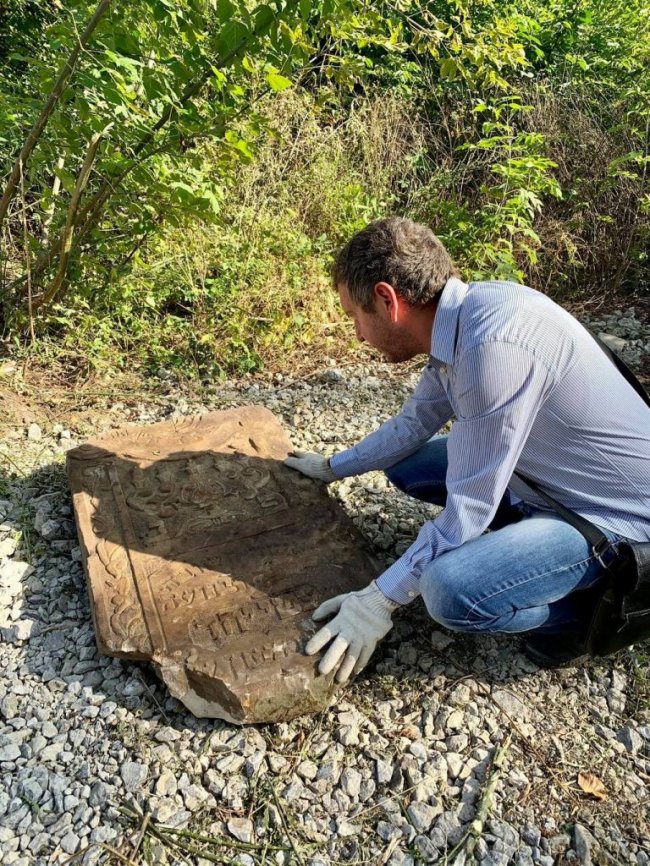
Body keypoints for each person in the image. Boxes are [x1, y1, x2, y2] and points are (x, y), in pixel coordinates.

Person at [284, 217, 650, 683]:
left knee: (449, 591)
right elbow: (414, 424)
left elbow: (467, 512)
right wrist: (332, 467)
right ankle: (523, 540)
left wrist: (378, 599)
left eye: (355, 317)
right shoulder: (465, 316)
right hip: (543, 477)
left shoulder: (494, 349)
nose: (357, 334)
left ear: (386, 299)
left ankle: (581, 614)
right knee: (408, 465)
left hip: (613, 514)